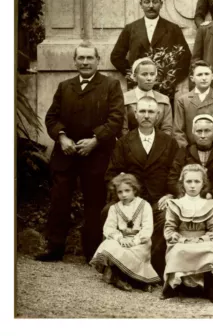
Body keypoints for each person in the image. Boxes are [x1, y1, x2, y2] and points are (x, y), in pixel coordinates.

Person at [37, 42, 124, 263]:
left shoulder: (111, 85)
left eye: (89, 58)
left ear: (98, 61)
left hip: (96, 155)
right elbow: (51, 118)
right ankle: (55, 248)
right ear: (75, 61)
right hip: (65, 155)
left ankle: (91, 252)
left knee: (94, 204)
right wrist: (62, 137)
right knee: (59, 201)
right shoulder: (64, 86)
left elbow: (116, 120)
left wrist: (95, 141)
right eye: (81, 58)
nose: (85, 62)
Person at [104, 96, 179, 276]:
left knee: (167, 217)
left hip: (157, 200)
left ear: (158, 115)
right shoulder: (124, 142)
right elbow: (111, 174)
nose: (146, 115)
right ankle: (119, 268)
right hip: (130, 201)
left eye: (151, 112)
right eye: (142, 111)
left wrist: (171, 194)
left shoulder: (169, 142)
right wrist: (122, 188)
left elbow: (176, 174)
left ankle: (152, 269)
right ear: (135, 115)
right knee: (108, 212)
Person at [162, 164, 213, 302]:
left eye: (197, 181)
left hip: (203, 240)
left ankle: (211, 286)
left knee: (210, 251)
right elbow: (169, 228)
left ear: (203, 184)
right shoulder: (175, 204)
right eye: (188, 181)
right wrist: (175, 236)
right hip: (182, 240)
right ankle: (177, 286)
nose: (193, 186)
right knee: (179, 251)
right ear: (182, 184)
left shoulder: (211, 204)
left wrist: (205, 239)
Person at [110, 0, 191, 92]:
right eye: (147, 2)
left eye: (155, 2)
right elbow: (116, 56)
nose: (151, 6)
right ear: (141, 4)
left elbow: (186, 57)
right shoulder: (131, 28)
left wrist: (170, 79)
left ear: (161, 4)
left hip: (164, 88)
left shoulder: (173, 29)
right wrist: (133, 75)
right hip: (137, 87)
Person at [90, 174, 160, 292]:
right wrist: (120, 238)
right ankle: (119, 277)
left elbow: (147, 228)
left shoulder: (144, 205)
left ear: (134, 190)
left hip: (138, 240)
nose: (124, 195)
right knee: (110, 245)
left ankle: (138, 280)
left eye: (127, 190)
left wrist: (135, 240)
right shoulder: (114, 208)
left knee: (138, 249)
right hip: (121, 239)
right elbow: (109, 228)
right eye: (120, 192)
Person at [168, 114, 213, 231]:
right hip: (187, 196)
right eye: (199, 131)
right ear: (193, 132)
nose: (203, 135)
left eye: (207, 131)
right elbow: (172, 178)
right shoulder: (184, 152)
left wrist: (211, 194)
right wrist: (185, 195)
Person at [173, 60, 213, 148]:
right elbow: (178, 131)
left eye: (207, 74)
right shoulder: (183, 100)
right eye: (199, 75)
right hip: (189, 150)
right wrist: (187, 150)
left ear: (212, 76)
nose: (204, 78)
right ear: (192, 78)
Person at [121, 57, 173, 136]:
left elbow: (167, 129)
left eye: (152, 74)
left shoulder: (164, 100)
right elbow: (123, 129)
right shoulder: (125, 99)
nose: (149, 78)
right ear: (135, 77)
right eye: (144, 74)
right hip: (131, 145)